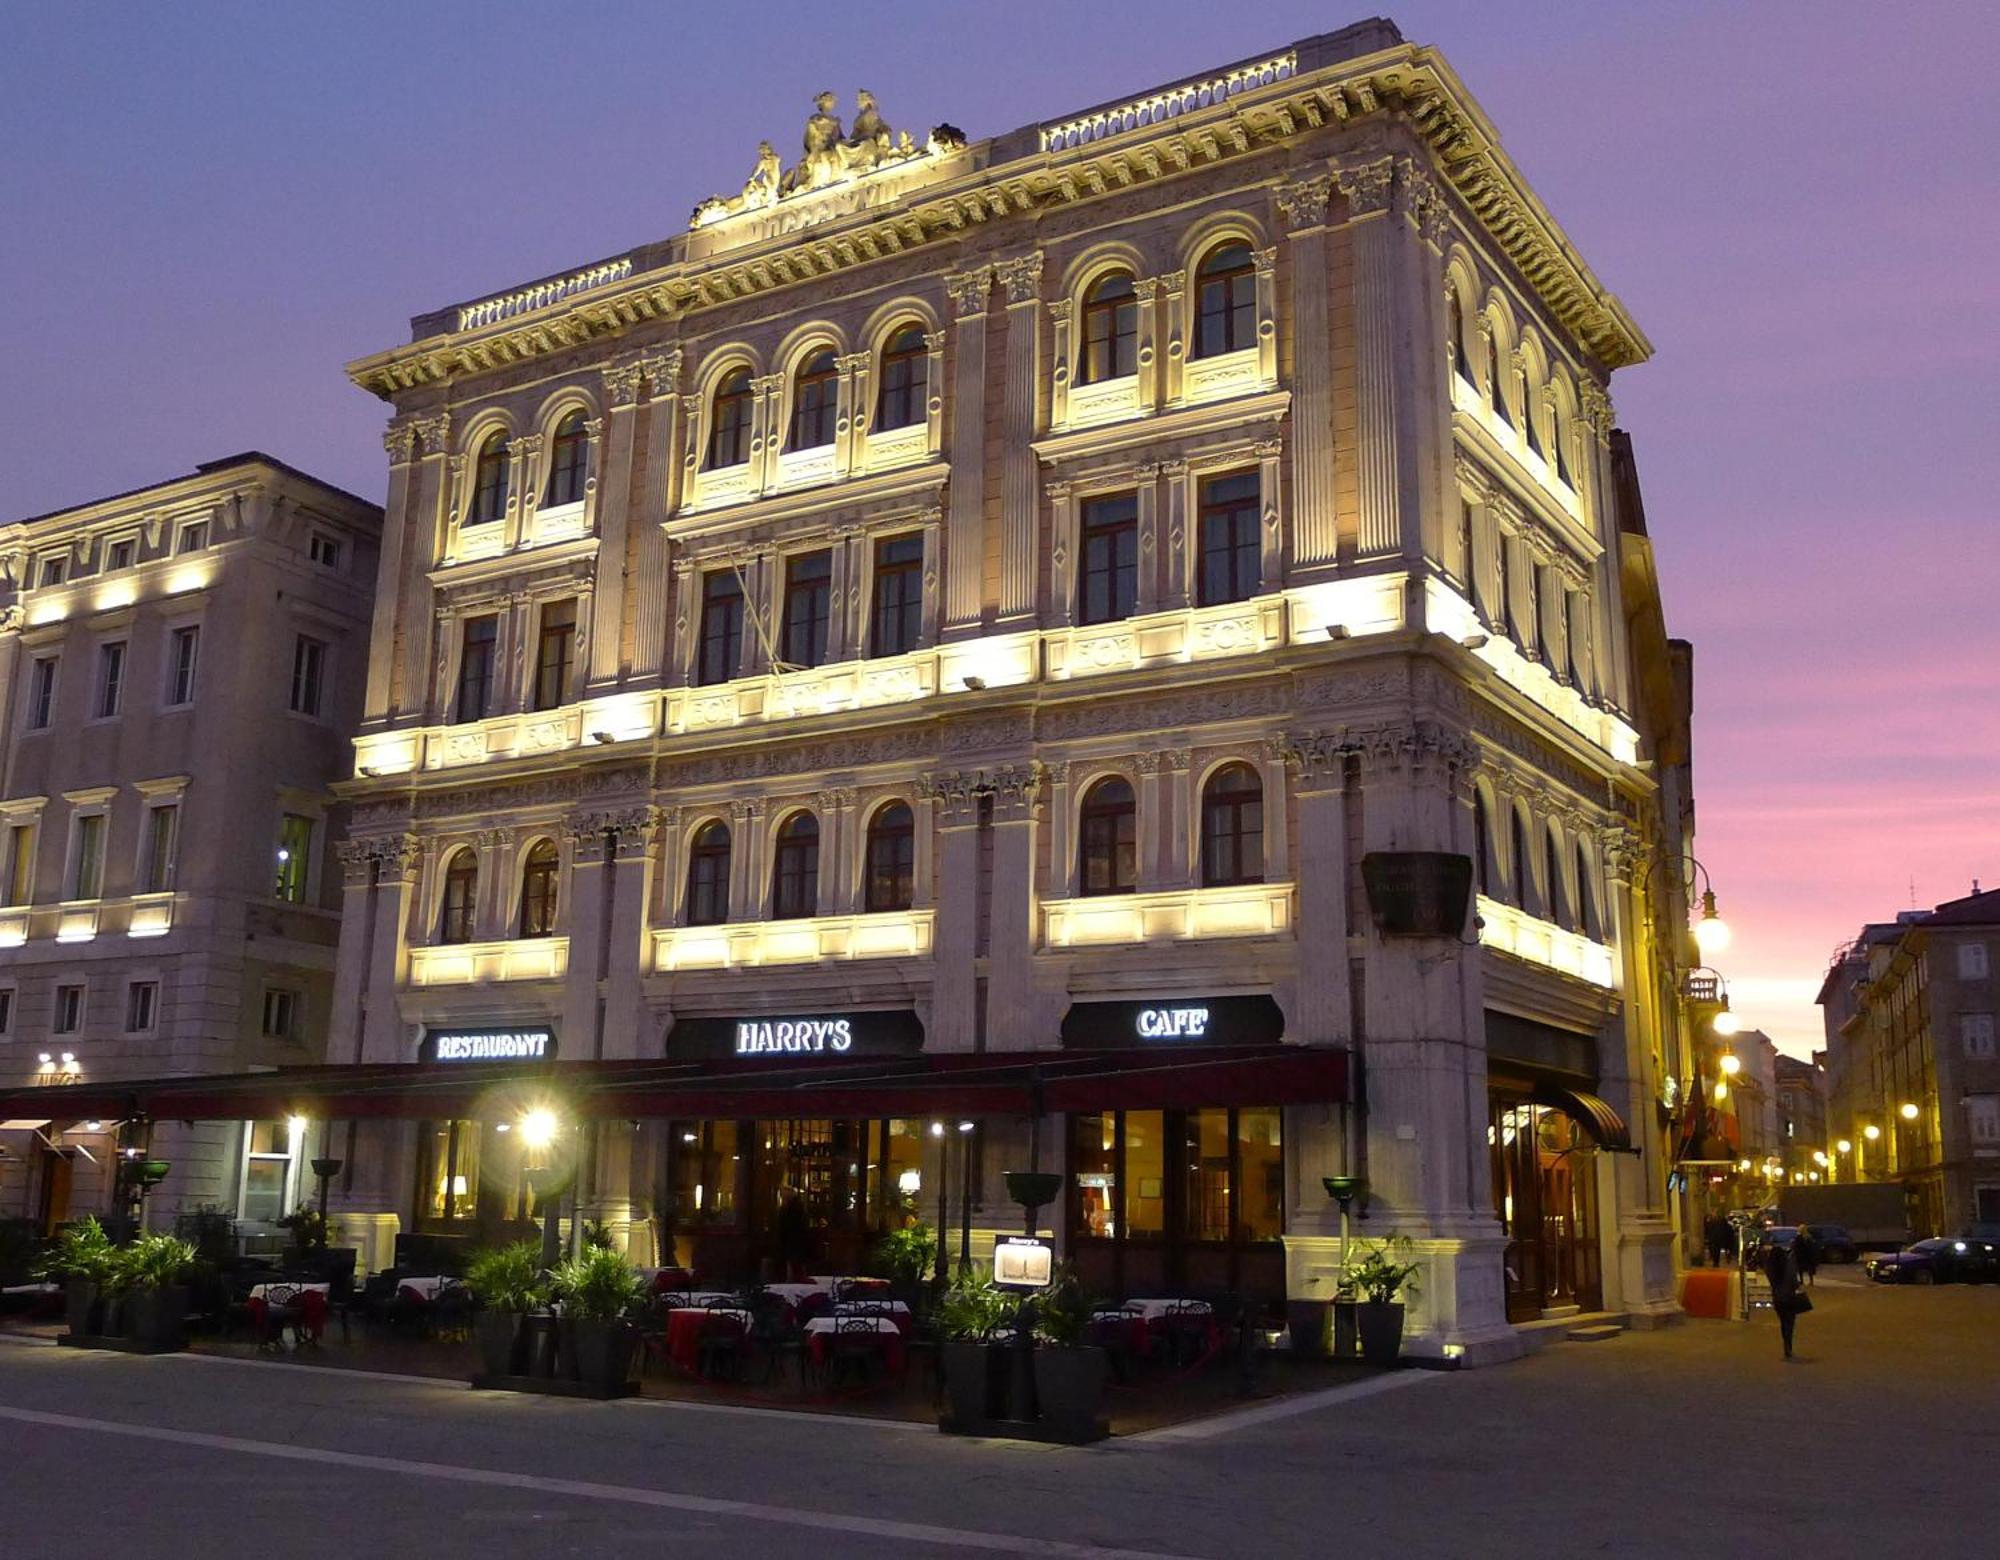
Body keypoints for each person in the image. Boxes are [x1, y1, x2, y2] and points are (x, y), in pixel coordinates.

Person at [1763, 1237, 1811, 1360]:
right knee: (1789, 1323)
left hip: (1777, 1298)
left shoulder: (1771, 1269)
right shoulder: (1787, 1267)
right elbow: (1794, 1282)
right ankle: (1788, 1347)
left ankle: (1787, 1346)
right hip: (1789, 1297)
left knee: (1783, 1322)